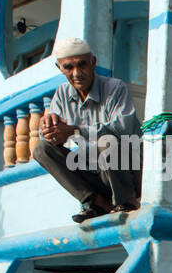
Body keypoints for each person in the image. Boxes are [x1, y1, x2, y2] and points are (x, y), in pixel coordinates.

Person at [34, 38, 142, 223]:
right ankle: (98, 203)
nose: (76, 73)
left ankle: (126, 200)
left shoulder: (115, 87)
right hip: (97, 173)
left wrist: (75, 129)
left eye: (82, 65)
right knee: (42, 150)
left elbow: (123, 130)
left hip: (128, 172)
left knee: (105, 141)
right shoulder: (61, 94)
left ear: (93, 62)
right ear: (60, 68)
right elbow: (53, 137)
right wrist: (48, 128)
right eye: (68, 67)